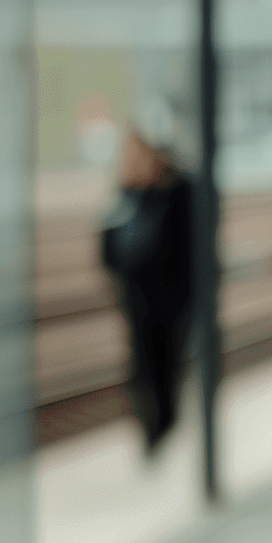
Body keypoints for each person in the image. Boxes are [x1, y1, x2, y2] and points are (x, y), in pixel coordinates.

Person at [98, 129, 195, 453]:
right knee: (143, 364)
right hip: (138, 298)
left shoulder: (177, 193)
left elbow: (182, 251)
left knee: (165, 361)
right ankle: (152, 428)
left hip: (169, 300)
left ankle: (163, 423)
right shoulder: (128, 194)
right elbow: (109, 243)